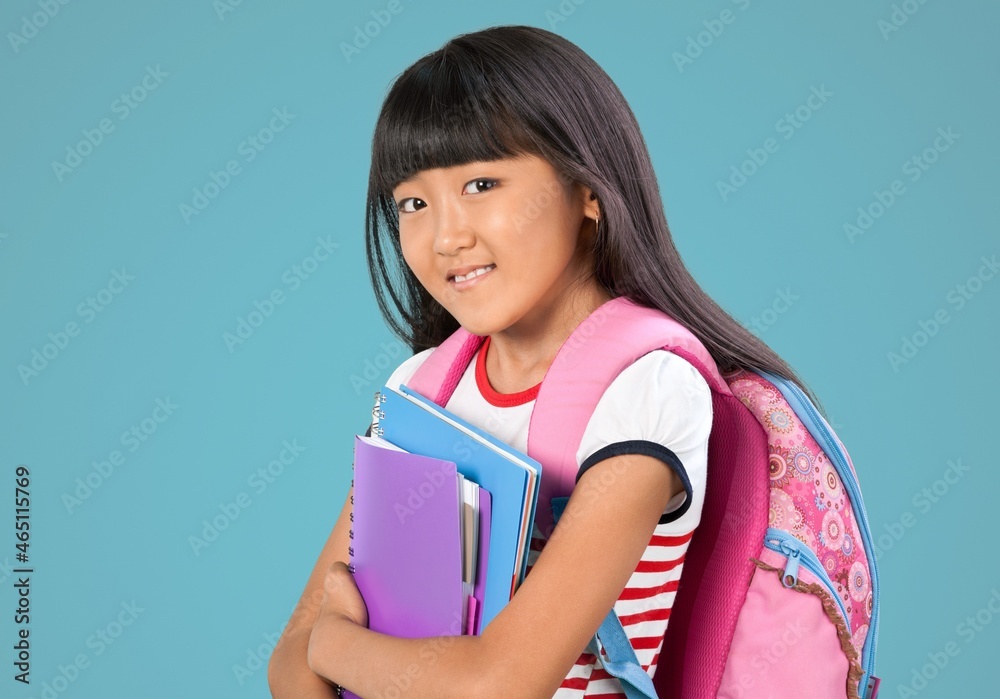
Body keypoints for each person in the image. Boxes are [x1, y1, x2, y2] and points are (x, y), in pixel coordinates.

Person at [268, 24, 825, 699]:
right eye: (413, 201)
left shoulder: (643, 390)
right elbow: (288, 670)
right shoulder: (420, 388)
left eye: (481, 183)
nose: (446, 235)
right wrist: (322, 651)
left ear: (586, 190)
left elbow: (496, 685)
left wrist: (336, 641)